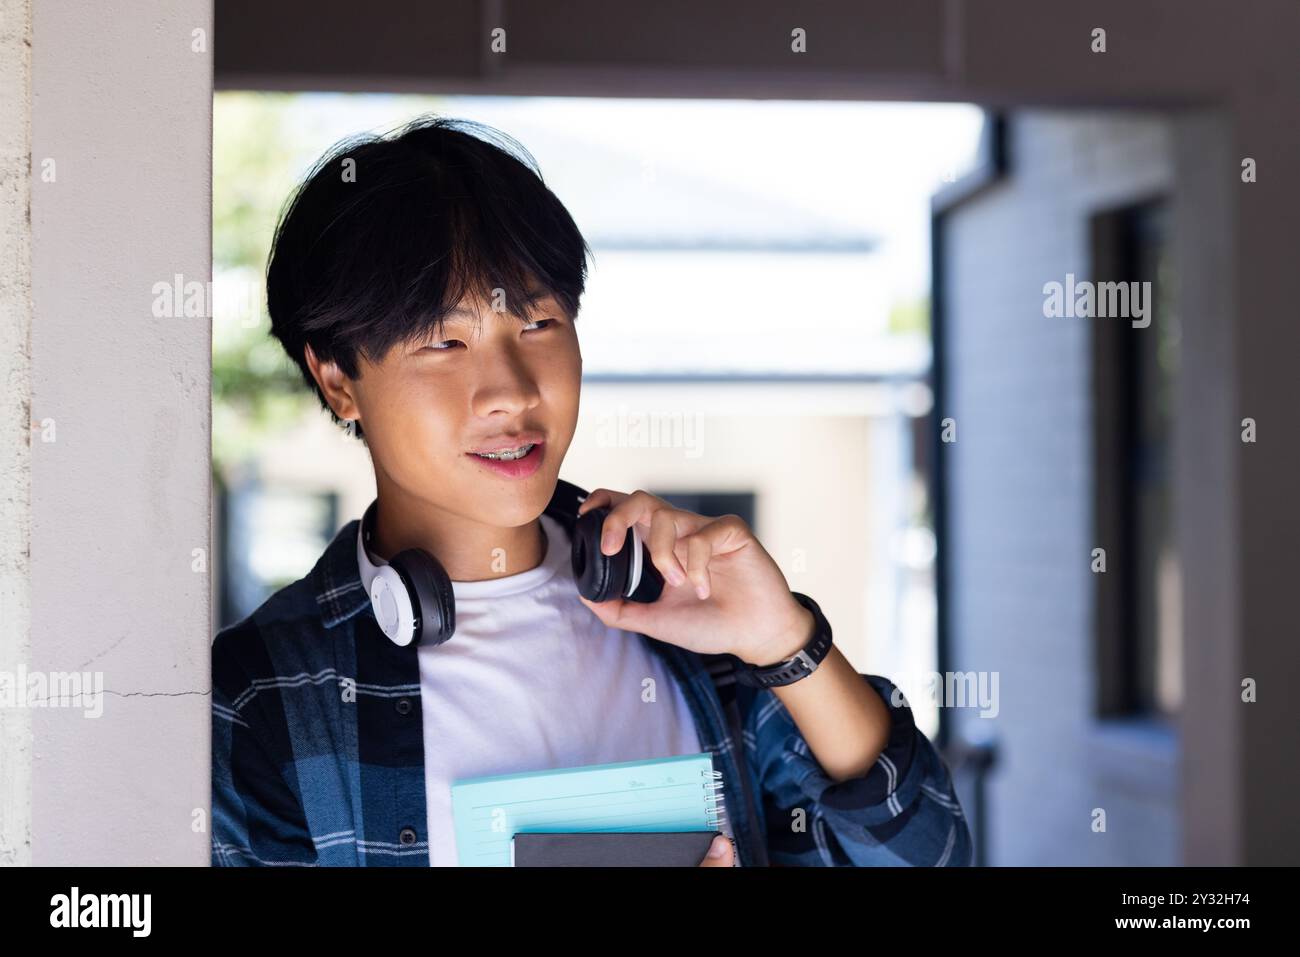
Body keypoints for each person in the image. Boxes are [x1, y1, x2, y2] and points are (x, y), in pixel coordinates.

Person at [211, 115, 972, 867]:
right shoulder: (266, 697)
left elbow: (930, 859)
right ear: (338, 377)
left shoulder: (691, 615)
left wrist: (784, 643)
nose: (509, 392)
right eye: (446, 341)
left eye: (539, 322)